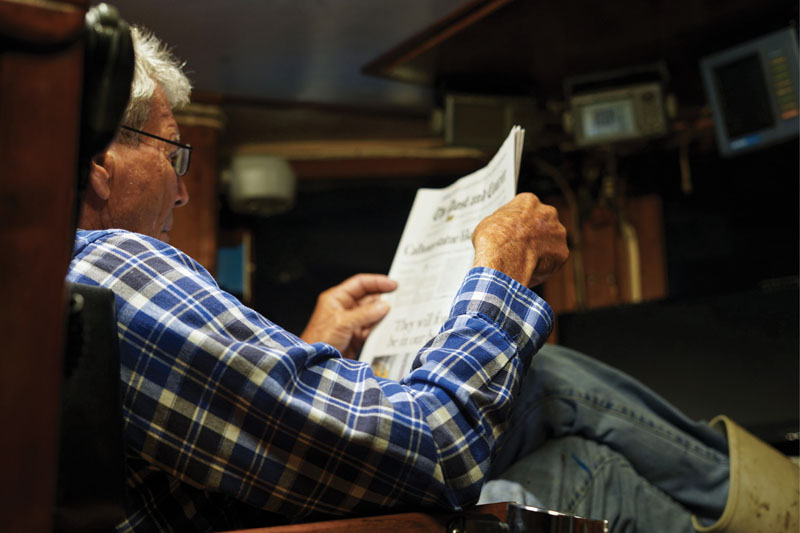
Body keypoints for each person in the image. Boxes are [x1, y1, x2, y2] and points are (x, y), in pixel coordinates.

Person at [68, 25, 797, 533]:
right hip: (338, 518)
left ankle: (781, 503)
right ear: (103, 167)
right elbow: (433, 450)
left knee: (552, 380)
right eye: (174, 154)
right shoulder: (110, 265)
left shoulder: (72, 279)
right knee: (586, 472)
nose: (185, 189)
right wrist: (501, 277)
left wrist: (308, 349)